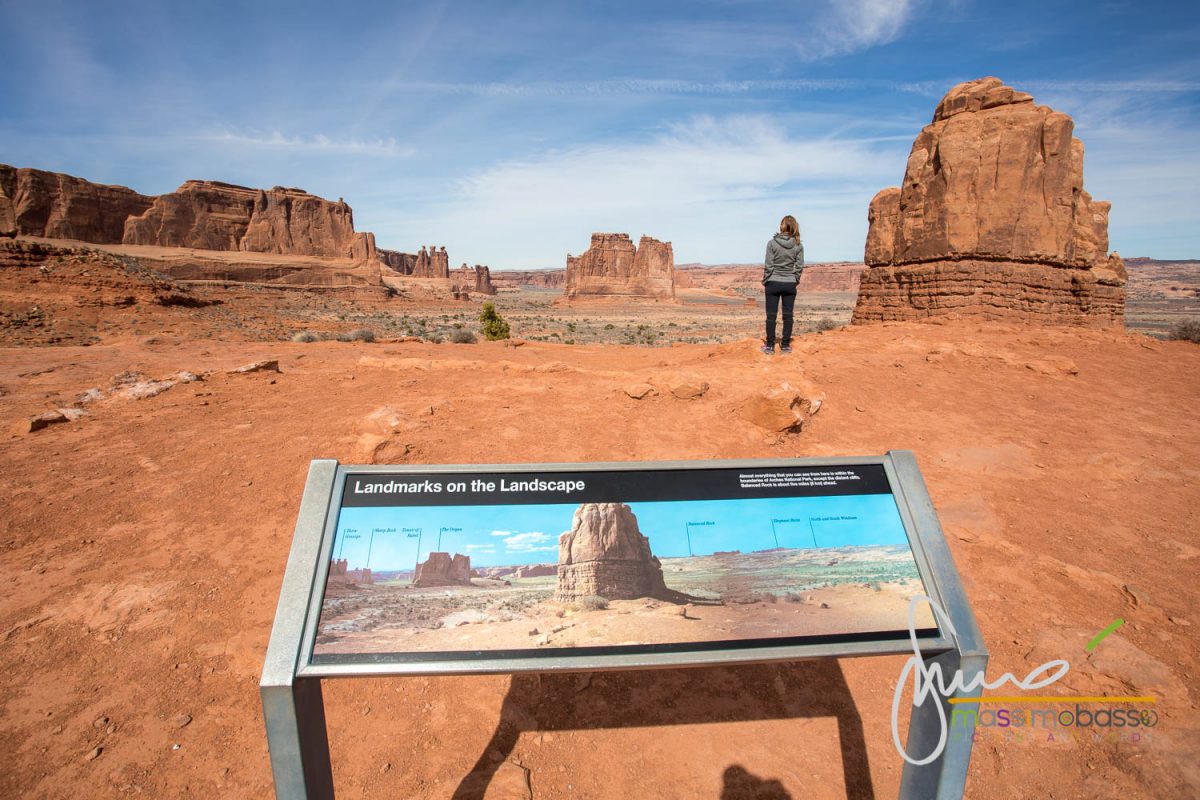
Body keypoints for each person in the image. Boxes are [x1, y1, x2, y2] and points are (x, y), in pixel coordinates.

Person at [761, 215, 804, 354]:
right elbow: (799, 266)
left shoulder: (772, 243)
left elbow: (769, 265)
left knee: (771, 316)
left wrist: (766, 280)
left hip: (773, 282)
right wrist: (794, 279)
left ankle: (770, 346)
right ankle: (785, 345)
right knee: (788, 315)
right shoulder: (798, 245)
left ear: (782, 226)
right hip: (789, 284)